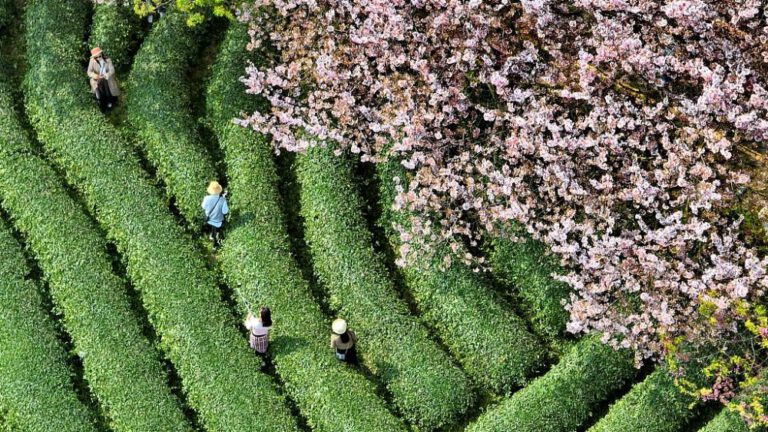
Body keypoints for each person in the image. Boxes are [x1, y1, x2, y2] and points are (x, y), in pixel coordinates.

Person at [87, 47, 120, 112]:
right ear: (94, 57)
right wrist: (94, 75)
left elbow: (112, 70)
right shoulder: (92, 61)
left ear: (101, 54)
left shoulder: (108, 60)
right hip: (97, 78)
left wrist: (107, 74)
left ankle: (109, 101)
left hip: (106, 77)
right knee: (97, 88)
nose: (98, 58)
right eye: (96, 57)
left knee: (107, 85)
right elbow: (89, 72)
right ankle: (100, 102)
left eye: (99, 56)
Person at [201, 181, 228, 248]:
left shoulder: (206, 198)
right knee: (217, 226)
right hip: (219, 220)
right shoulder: (223, 200)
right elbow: (225, 212)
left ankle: (213, 237)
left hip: (209, 219)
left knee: (213, 226)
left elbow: (203, 207)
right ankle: (217, 238)